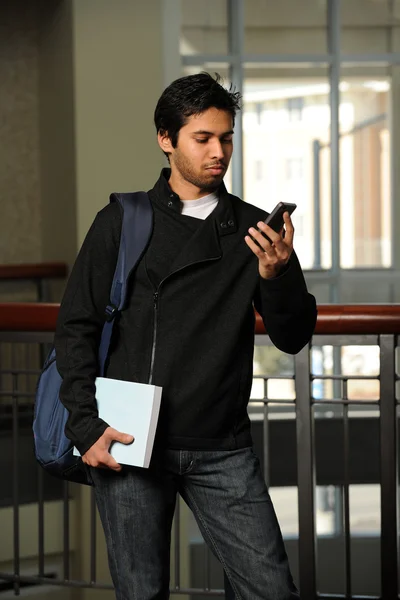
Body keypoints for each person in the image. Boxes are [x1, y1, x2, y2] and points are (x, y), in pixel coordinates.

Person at [55, 72, 317, 600]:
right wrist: (86, 427)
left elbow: (292, 337)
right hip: (129, 440)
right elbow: (76, 326)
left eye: (226, 138)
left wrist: (278, 274)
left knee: (271, 590)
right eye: (203, 138)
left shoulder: (253, 230)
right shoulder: (121, 219)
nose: (218, 151)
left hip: (222, 445)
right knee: (141, 592)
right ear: (166, 138)